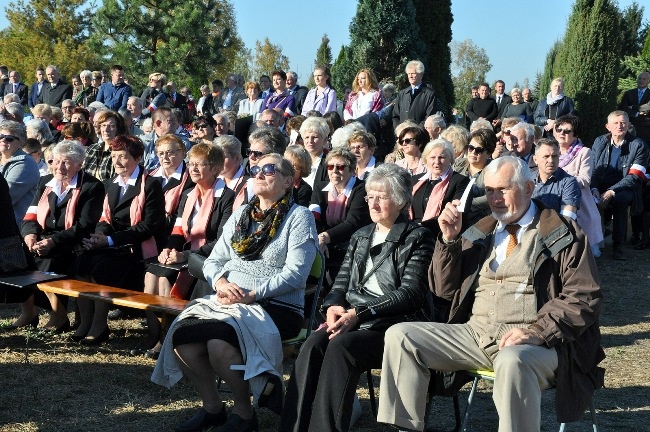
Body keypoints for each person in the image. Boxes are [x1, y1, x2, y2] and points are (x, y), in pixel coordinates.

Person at [377, 156, 605, 432]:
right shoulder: (479, 230)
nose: (495, 198)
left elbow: (584, 297)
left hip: (540, 345)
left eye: (503, 189)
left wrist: (538, 331)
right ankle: (405, 428)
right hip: (476, 335)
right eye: (489, 191)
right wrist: (449, 241)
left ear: (529, 188)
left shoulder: (563, 233)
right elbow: (443, 290)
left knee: (512, 360)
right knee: (401, 336)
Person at [151, 153, 318, 432]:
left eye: (269, 169)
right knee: (183, 338)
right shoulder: (242, 215)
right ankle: (213, 408)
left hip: (275, 305)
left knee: (218, 343)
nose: (260, 173)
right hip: (228, 300)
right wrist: (221, 283)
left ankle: (244, 414)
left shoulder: (299, 217)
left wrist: (253, 294)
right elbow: (215, 261)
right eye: (256, 169)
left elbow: (296, 274)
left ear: (289, 181)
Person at [280, 164, 435, 432]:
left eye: (381, 197)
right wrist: (333, 306)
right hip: (354, 319)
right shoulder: (360, 236)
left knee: (342, 347)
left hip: (393, 327)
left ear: (400, 200)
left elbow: (411, 293)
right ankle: (292, 427)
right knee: (313, 343)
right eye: (369, 197)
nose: (373, 204)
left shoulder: (418, 237)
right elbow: (340, 284)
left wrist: (358, 314)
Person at [139, 143, 234, 358]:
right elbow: (178, 230)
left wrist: (185, 255)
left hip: (209, 257)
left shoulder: (227, 197)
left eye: (200, 164)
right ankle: (154, 334)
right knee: (152, 273)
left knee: (165, 277)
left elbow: (222, 240)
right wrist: (168, 249)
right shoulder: (188, 194)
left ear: (216, 168)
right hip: (184, 254)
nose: (193, 168)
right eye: (191, 164)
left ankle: (166, 339)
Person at [72, 135, 166, 344]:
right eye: (114, 156)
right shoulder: (110, 184)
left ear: (137, 158)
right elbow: (105, 218)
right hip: (113, 245)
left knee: (100, 267)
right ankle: (85, 322)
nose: (117, 162)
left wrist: (110, 240)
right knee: (82, 263)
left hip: (138, 250)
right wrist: (99, 236)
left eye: (123, 157)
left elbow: (147, 227)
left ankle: (99, 325)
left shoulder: (150, 185)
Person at [17, 141, 104, 332]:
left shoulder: (92, 187)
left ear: (79, 164)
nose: (59, 167)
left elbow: (84, 226)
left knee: (47, 262)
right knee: (17, 257)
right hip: (43, 238)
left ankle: (59, 315)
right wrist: (30, 235)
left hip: (73, 242)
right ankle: (29, 312)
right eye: (56, 161)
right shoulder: (45, 181)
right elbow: (30, 215)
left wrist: (53, 241)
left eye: (66, 162)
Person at [590, 110, 648, 260]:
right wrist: (594, 188)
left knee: (620, 200)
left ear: (629, 125)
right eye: (615, 123)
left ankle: (618, 245)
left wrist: (611, 191)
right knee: (586, 196)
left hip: (626, 188)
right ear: (608, 126)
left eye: (623, 123)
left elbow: (635, 177)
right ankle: (590, 242)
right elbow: (594, 170)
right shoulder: (599, 141)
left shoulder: (639, 145)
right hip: (601, 186)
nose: (619, 126)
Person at [309, 148, 371, 281]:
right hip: (324, 244)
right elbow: (314, 217)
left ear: (353, 170)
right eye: (330, 167)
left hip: (351, 245)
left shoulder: (361, 189)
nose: (334, 171)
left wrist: (325, 237)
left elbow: (353, 223)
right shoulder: (320, 187)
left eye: (341, 167)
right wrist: (321, 239)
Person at [553, 114, 603, 256]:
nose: (562, 133)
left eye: (567, 131)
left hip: (579, 201)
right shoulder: (551, 150)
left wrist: (562, 181)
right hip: (554, 197)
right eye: (559, 129)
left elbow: (585, 179)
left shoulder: (584, 152)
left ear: (575, 134)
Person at [410, 138, 470, 236]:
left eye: (442, 157)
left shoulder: (460, 181)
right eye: (432, 157)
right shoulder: (415, 180)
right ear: (426, 159)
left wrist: (419, 228)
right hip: (411, 235)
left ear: (450, 159)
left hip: (439, 236)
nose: (437, 162)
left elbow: (455, 213)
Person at [148, 134, 193, 234]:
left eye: (170, 153)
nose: (165, 157)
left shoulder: (191, 179)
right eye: (161, 153)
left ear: (183, 153)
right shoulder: (148, 176)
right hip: (148, 230)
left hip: (175, 232)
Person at [0, 120, 40, 224]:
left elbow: (6, 196)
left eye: (9, 138)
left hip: (12, 228)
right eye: (1, 136)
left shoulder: (26, 163)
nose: (3, 140)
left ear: (21, 142)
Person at [455, 128, 497, 224]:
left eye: (479, 150)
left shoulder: (493, 170)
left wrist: (464, 203)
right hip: (455, 216)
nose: (473, 152)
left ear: (489, 153)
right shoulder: (458, 164)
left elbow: (490, 197)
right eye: (471, 148)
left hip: (480, 220)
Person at [531, 139, 581, 220]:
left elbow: (568, 219)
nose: (551, 160)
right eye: (546, 156)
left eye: (554, 156)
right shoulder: (527, 180)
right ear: (535, 159)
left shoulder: (569, 182)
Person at [392, 60, 445, 129]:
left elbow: (429, 116)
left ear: (421, 74)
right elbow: (395, 116)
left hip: (421, 135)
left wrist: (417, 132)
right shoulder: (402, 93)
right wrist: (399, 130)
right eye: (409, 73)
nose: (410, 76)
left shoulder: (429, 94)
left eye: (413, 73)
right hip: (403, 135)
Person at [84, 110, 127, 181]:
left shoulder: (122, 151)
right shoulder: (92, 148)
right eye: (103, 125)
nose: (106, 129)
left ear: (118, 129)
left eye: (111, 126)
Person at [619, 71, 650, 143]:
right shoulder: (629, 93)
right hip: (630, 126)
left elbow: (648, 107)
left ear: (648, 81)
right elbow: (623, 108)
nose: (641, 80)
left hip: (646, 128)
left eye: (644, 79)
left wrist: (633, 107)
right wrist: (637, 114)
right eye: (640, 78)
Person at [300, 116, 331, 188]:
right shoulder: (298, 160)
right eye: (307, 137)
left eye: (314, 137)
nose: (310, 141)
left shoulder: (329, 162)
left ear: (324, 140)